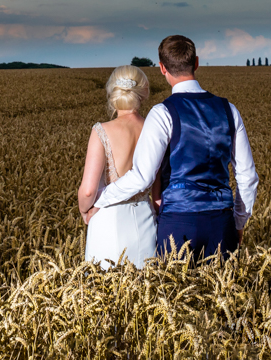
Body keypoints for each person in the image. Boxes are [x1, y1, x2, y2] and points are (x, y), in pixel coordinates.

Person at [88, 35, 258, 260]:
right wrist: (237, 223)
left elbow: (142, 176)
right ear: (196, 63)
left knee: (174, 291)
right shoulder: (229, 110)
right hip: (221, 222)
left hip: (178, 225)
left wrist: (100, 199)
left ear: (161, 68)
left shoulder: (162, 113)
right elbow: (247, 177)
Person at [77, 65, 159, 268]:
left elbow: (88, 191)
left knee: (105, 291)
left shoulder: (101, 131)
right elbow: (158, 191)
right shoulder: (155, 130)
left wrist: (84, 211)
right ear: (144, 93)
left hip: (107, 221)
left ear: (112, 92)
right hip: (145, 219)